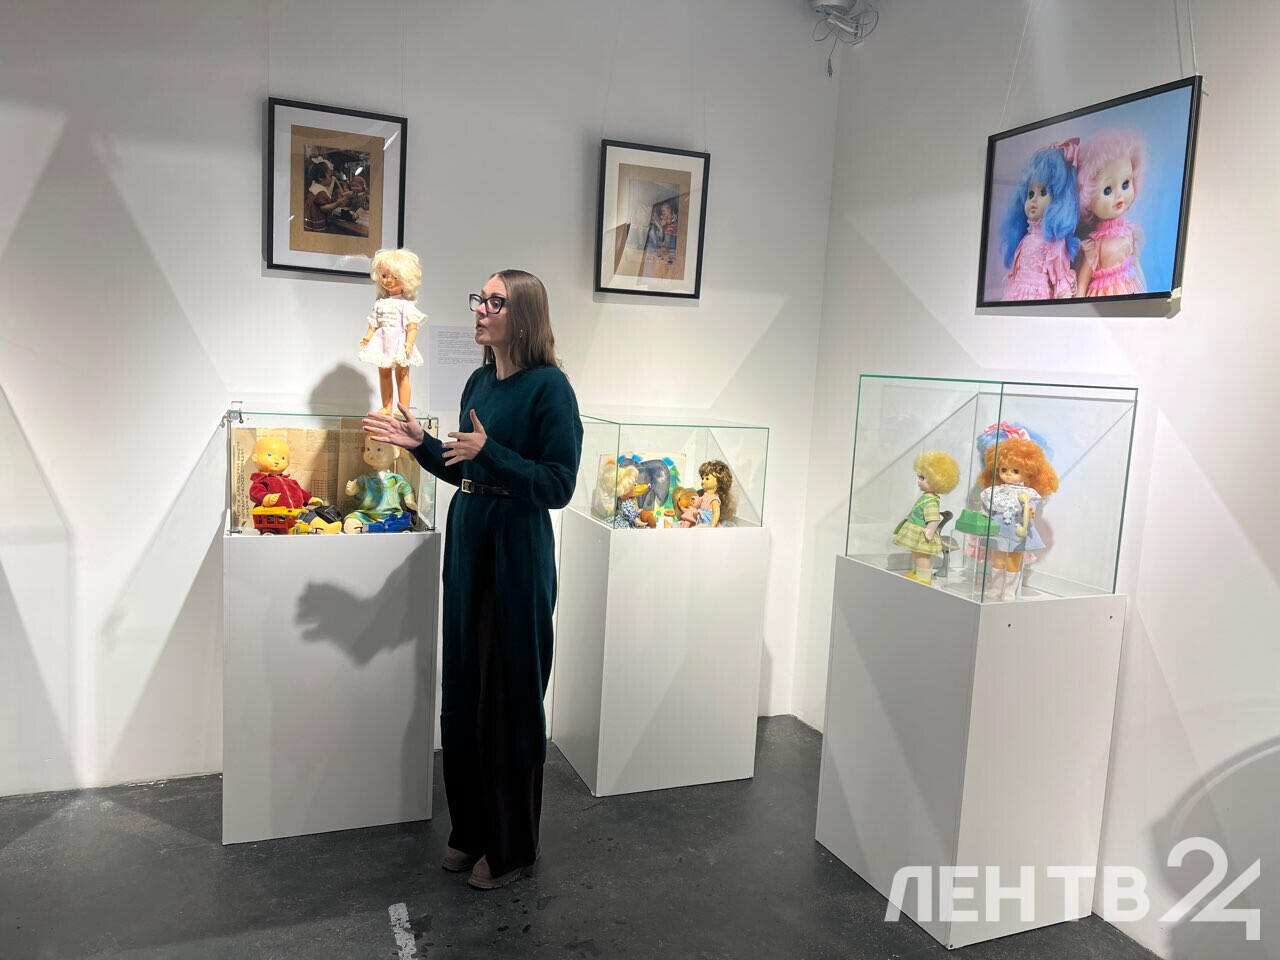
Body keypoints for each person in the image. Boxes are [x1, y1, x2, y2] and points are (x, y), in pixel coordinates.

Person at [363, 269, 582, 890]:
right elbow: (465, 468)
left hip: (517, 546)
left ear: (525, 315)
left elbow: (558, 485)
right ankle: (471, 832)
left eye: (494, 301)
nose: (480, 310)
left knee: (509, 694)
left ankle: (512, 848)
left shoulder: (550, 389)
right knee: (463, 688)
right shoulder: (478, 382)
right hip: (470, 538)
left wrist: (492, 453)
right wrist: (421, 444)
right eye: (479, 300)